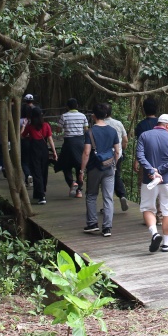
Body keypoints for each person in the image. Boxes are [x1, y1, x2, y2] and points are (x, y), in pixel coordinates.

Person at [135, 113, 168, 253]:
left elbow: (140, 155)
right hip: (167, 181)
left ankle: (155, 234)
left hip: (148, 180)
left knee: (148, 208)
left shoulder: (144, 136)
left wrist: (151, 170)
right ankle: (166, 244)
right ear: (167, 125)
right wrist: (160, 170)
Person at [80, 103, 121, 237]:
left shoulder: (90, 132)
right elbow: (117, 151)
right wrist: (114, 165)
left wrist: (81, 171)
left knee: (91, 195)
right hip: (109, 167)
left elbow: (86, 153)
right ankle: (107, 227)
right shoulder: (112, 131)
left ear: (93, 116)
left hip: (94, 167)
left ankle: (92, 223)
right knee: (108, 197)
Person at [21, 106, 56, 205]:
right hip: (44, 149)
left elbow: (21, 135)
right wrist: (54, 152)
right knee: (44, 170)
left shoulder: (30, 127)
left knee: (36, 171)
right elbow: (50, 139)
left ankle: (41, 195)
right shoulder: (46, 125)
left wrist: (24, 125)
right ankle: (40, 191)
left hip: (34, 150)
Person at [57, 98, 89, 198]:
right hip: (80, 142)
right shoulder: (83, 116)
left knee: (66, 165)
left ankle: (72, 183)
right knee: (80, 166)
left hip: (68, 143)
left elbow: (58, 130)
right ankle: (79, 191)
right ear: (77, 106)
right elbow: (86, 130)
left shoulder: (64, 116)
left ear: (67, 107)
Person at [104, 104, 130, 212]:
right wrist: (122, 149)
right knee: (116, 175)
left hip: (104, 156)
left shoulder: (100, 124)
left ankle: (108, 205)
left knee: (106, 179)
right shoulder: (118, 123)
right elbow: (125, 140)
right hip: (117, 155)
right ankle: (122, 195)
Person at [20, 93, 36, 187]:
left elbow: (20, 134)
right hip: (34, 141)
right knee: (31, 160)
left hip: (25, 141)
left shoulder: (21, 120)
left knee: (24, 161)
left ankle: (28, 176)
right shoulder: (36, 119)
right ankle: (30, 177)